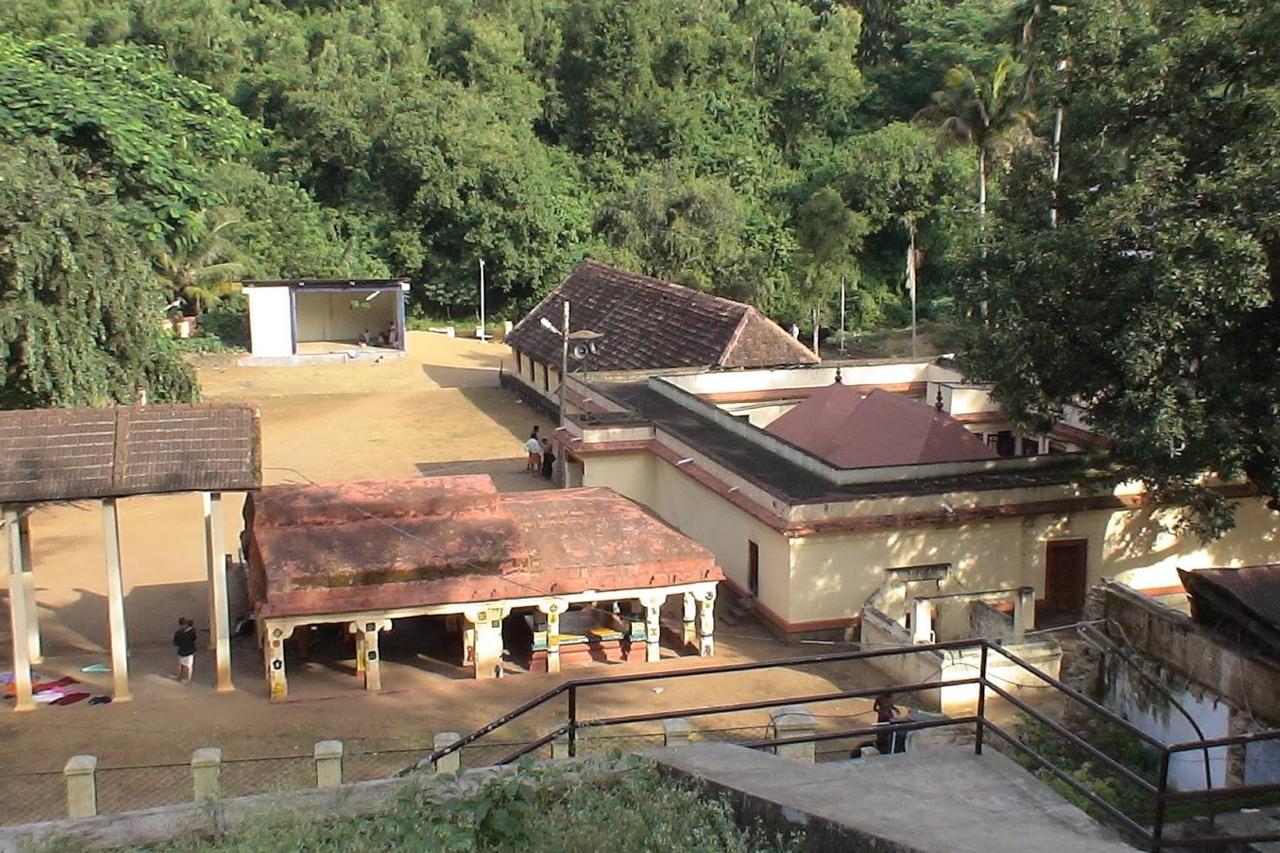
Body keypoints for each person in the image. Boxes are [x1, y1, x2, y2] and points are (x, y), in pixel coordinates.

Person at [173, 617, 197, 685]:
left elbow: (175, 643)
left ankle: (179, 676)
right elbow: (194, 638)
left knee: (181, 665)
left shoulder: (177, 633)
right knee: (189, 667)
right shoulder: (191, 632)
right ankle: (188, 680)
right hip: (189, 651)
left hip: (181, 651)